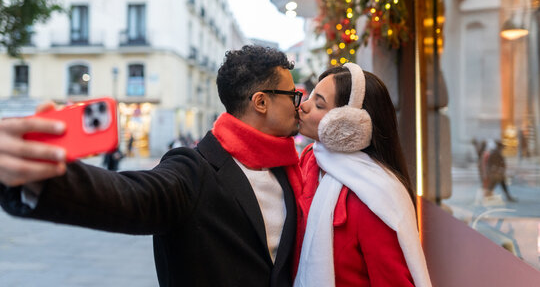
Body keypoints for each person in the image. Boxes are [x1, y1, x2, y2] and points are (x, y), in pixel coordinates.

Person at [0, 45, 303, 287]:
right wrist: (41, 175)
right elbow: (132, 197)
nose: (299, 104)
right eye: (292, 95)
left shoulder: (287, 167)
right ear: (261, 102)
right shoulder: (194, 170)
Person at [293, 63, 432, 287]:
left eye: (319, 104)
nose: (303, 106)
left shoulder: (374, 198)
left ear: (349, 124)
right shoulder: (311, 159)